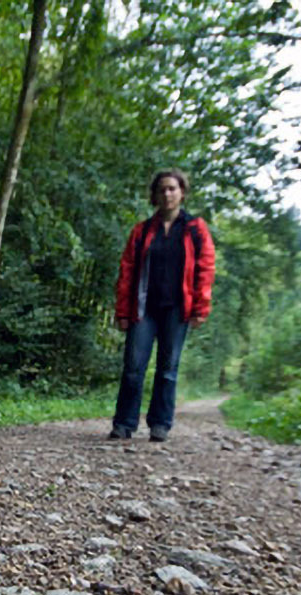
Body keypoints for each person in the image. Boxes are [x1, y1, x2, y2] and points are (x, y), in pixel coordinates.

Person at [107, 169, 215, 442]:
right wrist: (122, 311)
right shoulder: (141, 231)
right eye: (162, 189)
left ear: (182, 193)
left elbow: (205, 269)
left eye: (172, 189)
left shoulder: (195, 229)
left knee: (168, 369)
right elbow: (127, 272)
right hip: (144, 309)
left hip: (177, 309)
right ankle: (124, 424)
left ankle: (160, 424)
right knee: (133, 367)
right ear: (154, 196)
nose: (167, 194)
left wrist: (201, 307)